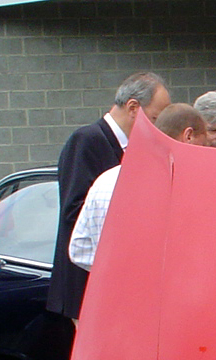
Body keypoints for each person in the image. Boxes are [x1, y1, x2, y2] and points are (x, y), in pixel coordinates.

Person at [48, 72, 171, 320]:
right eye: (155, 119)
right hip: (86, 285)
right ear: (133, 108)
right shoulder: (87, 140)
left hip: (114, 283)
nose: (157, 129)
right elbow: (74, 211)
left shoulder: (132, 148)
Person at [69, 103, 208, 273]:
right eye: (202, 146)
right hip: (156, 282)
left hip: (110, 283)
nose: (203, 155)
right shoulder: (177, 185)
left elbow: (79, 248)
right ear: (188, 136)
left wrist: (110, 266)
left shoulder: (104, 180)